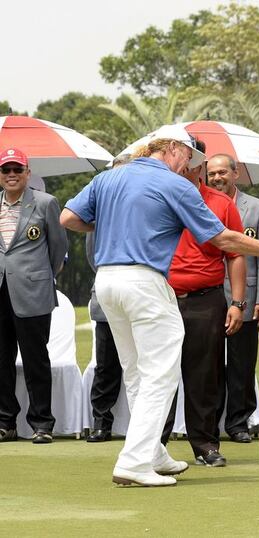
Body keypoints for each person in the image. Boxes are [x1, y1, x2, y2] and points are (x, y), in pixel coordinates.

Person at [61, 125, 259, 487]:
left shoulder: (112, 177)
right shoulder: (173, 184)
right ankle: (134, 460)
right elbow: (222, 237)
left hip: (107, 281)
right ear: (173, 148)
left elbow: (69, 218)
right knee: (161, 371)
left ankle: (153, 453)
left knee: (137, 370)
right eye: (190, 158)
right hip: (145, 281)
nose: (191, 167)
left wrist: (119, 224)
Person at [160, 142, 246, 468]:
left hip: (205, 299)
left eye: (187, 160)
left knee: (204, 376)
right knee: (159, 374)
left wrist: (237, 303)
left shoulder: (221, 204)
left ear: (199, 164)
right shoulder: (157, 197)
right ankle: (154, 444)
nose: (180, 165)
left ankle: (205, 445)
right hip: (162, 298)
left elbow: (236, 256)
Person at [0, 148, 68, 444]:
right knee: (1, 360)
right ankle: (5, 422)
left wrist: (40, 277)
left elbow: (57, 250)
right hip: (1, 292)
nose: (12, 175)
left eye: (17, 170)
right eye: (6, 170)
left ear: (28, 173)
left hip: (33, 292)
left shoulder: (45, 203)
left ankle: (42, 423)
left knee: (35, 359)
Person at [207, 154, 259, 444]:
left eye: (222, 172)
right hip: (209, 293)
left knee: (241, 362)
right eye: (211, 174)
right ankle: (210, 422)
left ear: (236, 174)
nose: (217, 178)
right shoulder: (200, 204)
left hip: (246, 294)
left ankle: (238, 422)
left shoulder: (257, 208)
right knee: (208, 362)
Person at [85, 155, 130, 443]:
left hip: (145, 295)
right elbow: (93, 257)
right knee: (106, 365)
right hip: (108, 296)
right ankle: (101, 421)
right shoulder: (100, 213)